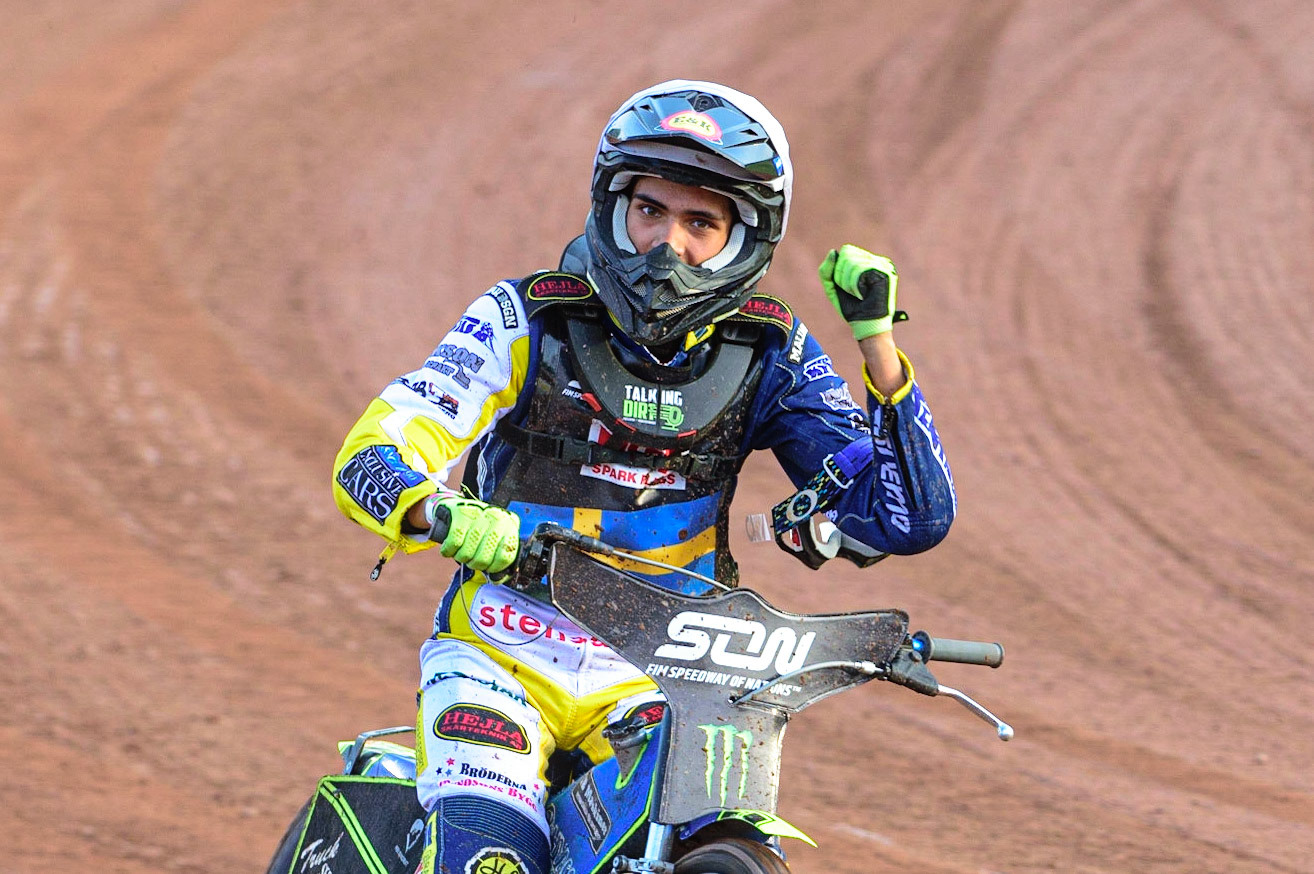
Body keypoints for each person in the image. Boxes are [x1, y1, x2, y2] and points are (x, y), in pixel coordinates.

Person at [332, 79, 957, 874]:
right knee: (492, 861)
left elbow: (904, 519)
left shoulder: (773, 351)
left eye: (702, 222)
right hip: (503, 656)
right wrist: (435, 512)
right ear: (612, 207)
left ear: (747, 237)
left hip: (671, 679)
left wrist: (877, 344)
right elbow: (371, 454)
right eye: (651, 211)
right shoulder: (527, 315)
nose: (671, 245)